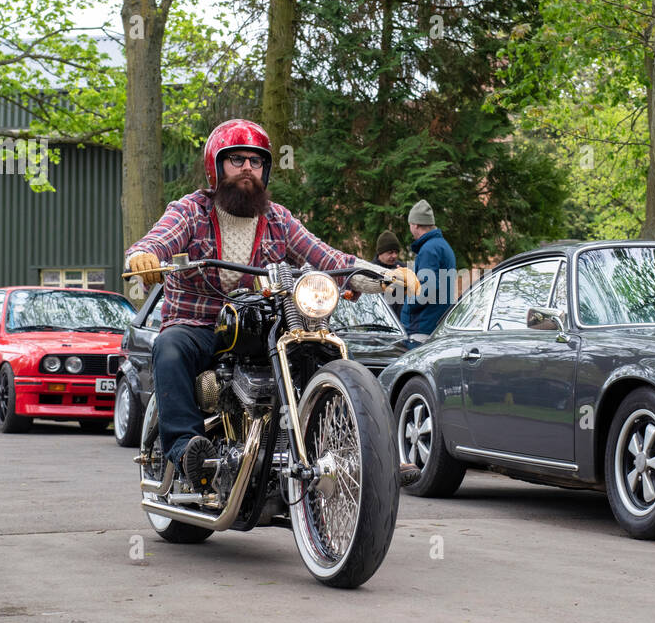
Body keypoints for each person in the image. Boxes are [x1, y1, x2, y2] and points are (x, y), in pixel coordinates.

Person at [125, 119, 411, 488]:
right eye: (237, 159)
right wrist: (144, 256)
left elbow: (327, 258)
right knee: (169, 346)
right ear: (217, 166)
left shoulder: (278, 220)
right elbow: (160, 239)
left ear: (266, 170)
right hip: (199, 326)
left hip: (254, 326)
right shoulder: (191, 211)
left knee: (318, 349)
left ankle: (371, 452)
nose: (247, 167)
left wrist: (386, 275)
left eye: (255, 161)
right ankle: (185, 450)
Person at [400, 199, 456, 341]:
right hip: (435, 324)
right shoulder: (443, 246)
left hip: (422, 328)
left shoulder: (429, 249)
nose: (410, 229)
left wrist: (408, 305)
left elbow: (427, 288)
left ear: (416, 225)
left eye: (410, 225)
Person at [374, 230, 404, 320]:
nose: (394, 256)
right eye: (390, 252)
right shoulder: (371, 271)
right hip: (379, 321)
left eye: (396, 252)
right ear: (380, 253)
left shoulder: (402, 268)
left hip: (401, 323)